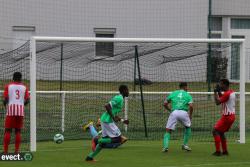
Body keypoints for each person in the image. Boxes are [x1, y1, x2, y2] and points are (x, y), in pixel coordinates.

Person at [85, 85, 129, 161]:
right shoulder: (119, 98)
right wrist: (112, 117)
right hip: (107, 121)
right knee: (118, 139)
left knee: (103, 143)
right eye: (128, 90)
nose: (129, 92)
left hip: (106, 120)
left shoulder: (120, 98)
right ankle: (96, 140)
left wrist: (122, 120)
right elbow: (107, 106)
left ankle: (90, 157)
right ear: (124, 90)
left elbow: (114, 113)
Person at [2, 72, 30, 153]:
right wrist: (22, 105)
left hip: (11, 111)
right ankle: (16, 151)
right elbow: (27, 100)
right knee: (18, 131)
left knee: (7, 130)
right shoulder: (24, 87)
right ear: (21, 78)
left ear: (13, 78)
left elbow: (6, 99)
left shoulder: (8, 86)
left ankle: (5, 152)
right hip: (20, 111)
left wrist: (4, 104)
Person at [162, 82, 193, 152]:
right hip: (184, 113)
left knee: (168, 130)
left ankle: (165, 147)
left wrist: (170, 110)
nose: (187, 88)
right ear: (184, 87)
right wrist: (190, 115)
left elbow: (164, 104)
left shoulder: (173, 93)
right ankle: (185, 145)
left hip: (174, 112)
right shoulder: (188, 95)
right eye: (187, 87)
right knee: (188, 127)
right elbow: (191, 106)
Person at [212, 79, 236, 156]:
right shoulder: (231, 92)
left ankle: (218, 151)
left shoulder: (227, 94)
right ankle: (225, 151)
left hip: (227, 117)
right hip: (231, 116)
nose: (220, 85)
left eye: (221, 84)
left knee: (215, 131)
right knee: (221, 132)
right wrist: (219, 92)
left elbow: (217, 102)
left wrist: (215, 92)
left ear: (225, 85)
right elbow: (224, 98)